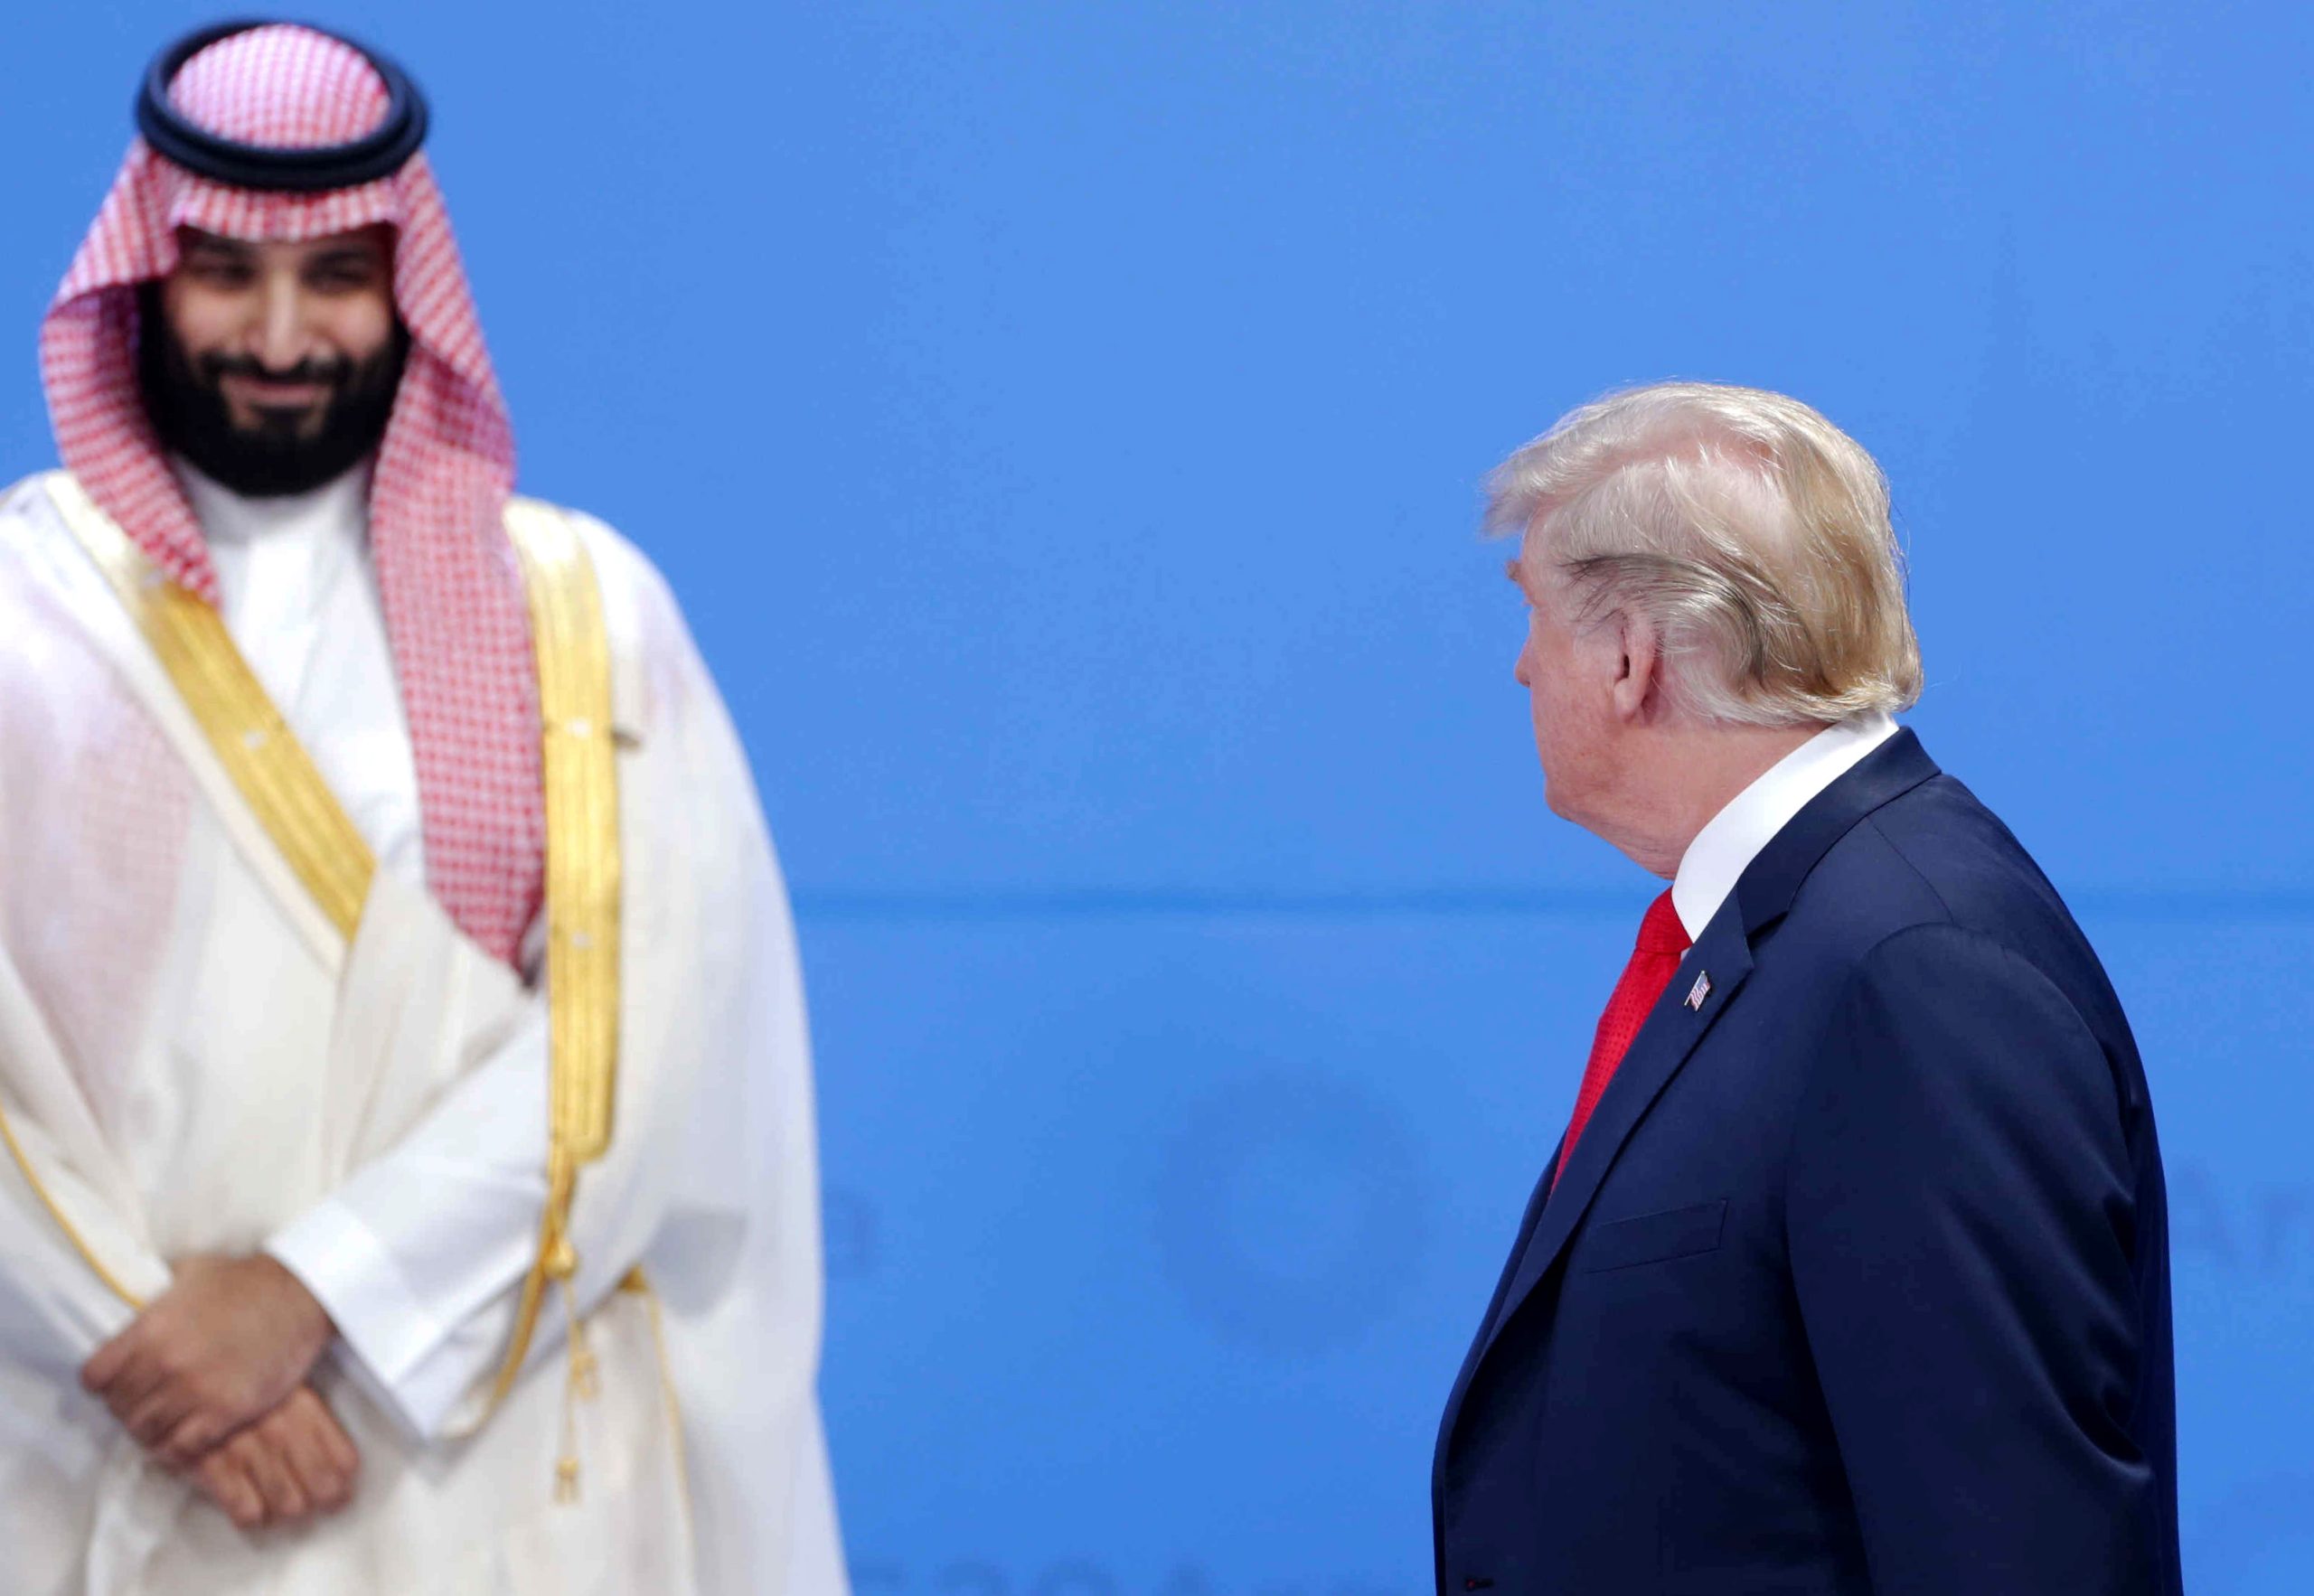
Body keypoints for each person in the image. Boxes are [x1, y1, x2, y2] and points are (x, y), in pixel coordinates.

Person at [0, 22, 843, 1593]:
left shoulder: (583, 610)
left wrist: (312, 1293)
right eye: (225, 271)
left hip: (480, 1478)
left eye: (337, 274)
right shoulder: (14, 606)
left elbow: (646, 1034)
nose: (280, 332)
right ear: (141, 275)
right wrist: (143, 1342)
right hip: (79, 1441)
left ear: (409, 294)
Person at [1433, 381, 2180, 1593]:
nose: (1521, 669)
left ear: (1629, 656)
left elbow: (2016, 1549)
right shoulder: (1799, 939)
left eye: (1533, 617)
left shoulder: (1916, 969)